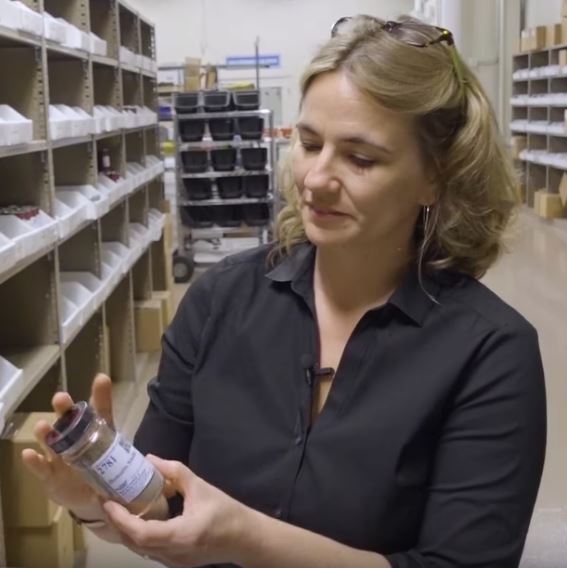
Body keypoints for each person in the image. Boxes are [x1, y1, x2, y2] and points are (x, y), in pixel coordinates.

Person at [23, 14, 546, 568]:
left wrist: (245, 537)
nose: (316, 179)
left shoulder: (490, 353)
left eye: (360, 158)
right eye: (310, 143)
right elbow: (168, 507)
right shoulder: (218, 302)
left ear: (434, 177)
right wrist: (101, 501)